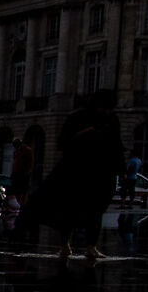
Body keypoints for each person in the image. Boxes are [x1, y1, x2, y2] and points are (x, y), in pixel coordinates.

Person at [26, 91, 124, 267]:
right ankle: (65, 245)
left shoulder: (112, 120)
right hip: (76, 169)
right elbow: (62, 143)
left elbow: (117, 146)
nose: (107, 112)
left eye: (109, 109)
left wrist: (121, 169)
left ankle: (91, 246)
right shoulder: (77, 118)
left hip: (101, 170)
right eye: (104, 108)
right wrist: (84, 134)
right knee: (69, 208)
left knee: (97, 209)